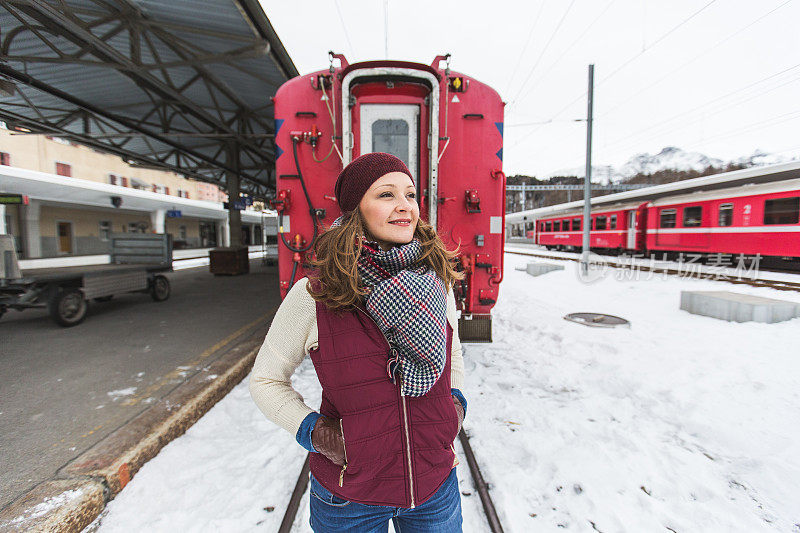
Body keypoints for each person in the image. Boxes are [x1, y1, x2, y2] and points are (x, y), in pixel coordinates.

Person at [250, 152, 468, 532]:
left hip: (434, 488)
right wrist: (314, 431)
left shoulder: (438, 282)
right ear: (356, 212)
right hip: (349, 496)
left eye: (411, 195)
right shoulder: (315, 295)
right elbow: (266, 381)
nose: (405, 207)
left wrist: (455, 408)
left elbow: (453, 353)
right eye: (386, 195)